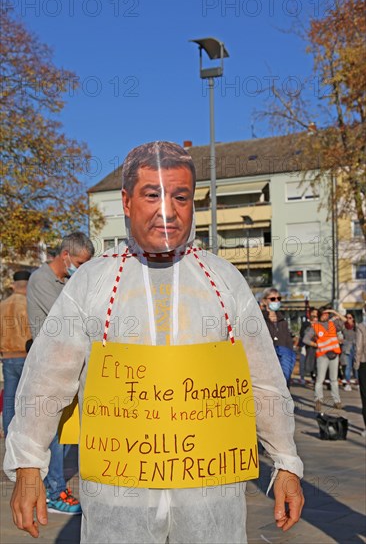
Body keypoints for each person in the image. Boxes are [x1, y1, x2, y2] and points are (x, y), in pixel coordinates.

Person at [5, 141, 304, 543]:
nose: (168, 209)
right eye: (152, 194)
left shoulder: (223, 281)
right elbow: (47, 379)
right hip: (119, 499)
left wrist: (286, 463)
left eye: (180, 196)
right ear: (126, 202)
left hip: (208, 497)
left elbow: (263, 379)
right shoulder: (93, 283)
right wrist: (27, 467)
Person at [26, 232, 95, 515]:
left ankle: (54, 484)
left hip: (69, 362)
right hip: (50, 366)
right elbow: (70, 316)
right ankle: (54, 492)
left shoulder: (66, 281)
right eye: (80, 262)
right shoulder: (42, 280)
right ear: (65, 255)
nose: (81, 268)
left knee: (66, 432)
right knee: (53, 434)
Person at [0, 271, 32, 436]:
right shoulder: (28, 303)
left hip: (7, 358)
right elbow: (31, 331)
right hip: (25, 356)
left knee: (9, 400)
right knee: (27, 399)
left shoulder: (2, 304)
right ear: (27, 285)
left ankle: (9, 435)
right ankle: (25, 436)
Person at [302, 307, 344, 412]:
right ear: (320, 315)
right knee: (320, 380)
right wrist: (316, 344)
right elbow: (305, 339)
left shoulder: (332, 324)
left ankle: (337, 401)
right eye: (323, 314)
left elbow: (344, 322)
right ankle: (318, 401)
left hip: (334, 355)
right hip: (322, 356)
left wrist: (334, 312)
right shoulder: (315, 327)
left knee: (334, 380)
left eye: (327, 314)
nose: (325, 316)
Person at [261, 288, 296, 386]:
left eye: (278, 298)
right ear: (264, 300)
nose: (276, 301)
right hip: (269, 352)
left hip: (285, 350)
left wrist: (290, 349)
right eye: (272, 299)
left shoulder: (283, 318)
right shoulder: (260, 317)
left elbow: (287, 336)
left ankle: (285, 399)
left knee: (285, 380)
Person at [297, 308, 319, 385]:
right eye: (313, 313)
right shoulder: (306, 323)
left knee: (314, 361)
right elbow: (302, 334)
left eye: (316, 314)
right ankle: (302, 377)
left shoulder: (319, 324)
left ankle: (314, 377)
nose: (314, 315)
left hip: (315, 346)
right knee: (303, 360)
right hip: (305, 345)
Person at [354, 321, 366, 437]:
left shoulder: (361, 326)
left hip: (364, 363)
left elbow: (358, 347)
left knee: (365, 395)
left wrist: (356, 365)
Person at [340, 313, 357, 391]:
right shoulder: (343, 326)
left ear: (353, 318)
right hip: (347, 348)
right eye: (347, 317)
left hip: (356, 348)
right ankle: (348, 383)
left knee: (356, 367)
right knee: (347, 366)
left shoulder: (356, 326)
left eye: (350, 318)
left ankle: (358, 382)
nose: (348, 319)